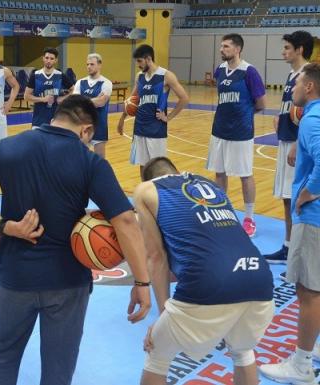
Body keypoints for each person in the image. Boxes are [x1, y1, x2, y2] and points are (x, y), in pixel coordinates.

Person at [0, 95, 151, 385]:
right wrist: (142, 282)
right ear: (86, 130)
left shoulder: (10, 146)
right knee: (59, 365)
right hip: (67, 281)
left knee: (4, 353)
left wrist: (3, 225)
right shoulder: (90, 160)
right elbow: (125, 221)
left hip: (15, 276)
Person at [133, 156, 274, 385]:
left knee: (157, 354)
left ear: (148, 178)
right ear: (177, 172)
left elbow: (156, 258)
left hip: (211, 279)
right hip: (259, 277)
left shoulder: (146, 190)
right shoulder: (210, 185)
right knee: (243, 352)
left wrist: (164, 316)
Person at [259, 63, 320, 385]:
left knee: (308, 290)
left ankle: (302, 365)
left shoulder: (311, 118)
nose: (291, 88)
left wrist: (308, 192)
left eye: (297, 83)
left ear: (308, 87)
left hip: (314, 218)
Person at [206, 33, 266, 238]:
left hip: (241, 132)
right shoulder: (220, 70)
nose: (221, 49)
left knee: (245, 174)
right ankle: (222, 212)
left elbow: (261, 104)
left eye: (226, 46)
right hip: (219, 129)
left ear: (237, 49)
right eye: (221, 46)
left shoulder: (249, 72)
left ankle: (249, 218)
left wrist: (244, 115)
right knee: (219, 173)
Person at [264, 31, 313, 265]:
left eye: (287, 48)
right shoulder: (292, 73)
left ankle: (299, 253)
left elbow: (312, 110)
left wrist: (296, 141)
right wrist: (280, 116)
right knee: (286, 197)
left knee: (298, 197)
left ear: (300, 49)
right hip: (286, 139)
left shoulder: (308, 74)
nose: (283, 52)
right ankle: (288, 246)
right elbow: (293, 106)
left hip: (298, 145)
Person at [116, 44, 189, 179]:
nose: (138, 65)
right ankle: (146, 192)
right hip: (140, 127)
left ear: (148, 59)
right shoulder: (140, 77)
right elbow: (132, 100)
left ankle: (159, 196)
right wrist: (122, 119)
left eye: (140, 61)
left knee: (158, 167)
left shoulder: (166, 76)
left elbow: (184, 98)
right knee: (143, 165)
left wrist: (169, 117)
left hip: (156, 129)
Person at [72, 53, 112, 159]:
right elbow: (75, 102)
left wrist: (83, 100)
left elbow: (101, 102)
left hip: (99, 125)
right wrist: (93, 100)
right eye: (87, 64)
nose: (89, 67)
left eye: (92, 64)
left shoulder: (106, 83)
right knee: (80, 158)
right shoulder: (80, 82)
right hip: (82, 125)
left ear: (99, 65)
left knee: (100, 160)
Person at [24, 47, 75, 128]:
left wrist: (63, 98)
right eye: (47, 58)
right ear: (43, 58)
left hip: (56, 119)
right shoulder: (35, 75)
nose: (48, 61)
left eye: (51, 58)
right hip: (38, 119)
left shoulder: (60, 75)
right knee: (38, 140)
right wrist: (42, 99)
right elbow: (26, 96)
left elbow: (74, 90)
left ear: (55, 60)